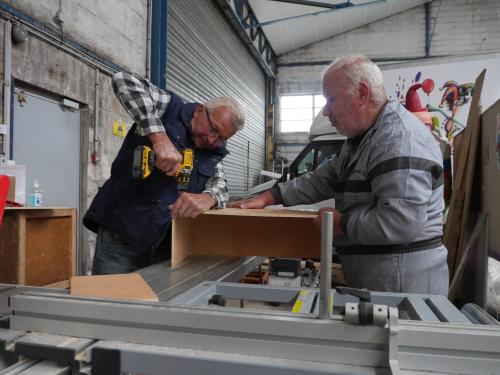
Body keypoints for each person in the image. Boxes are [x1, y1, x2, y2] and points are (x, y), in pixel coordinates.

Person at [229, 55, 448, 296]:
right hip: (381, 279)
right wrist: (269, 197)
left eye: (331, 99)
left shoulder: (398, 141)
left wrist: (341, 224)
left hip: (402, 287)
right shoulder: (363, 140)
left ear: (362, 94)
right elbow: (321, 179)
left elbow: (400, 222)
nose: (325, 111)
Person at [84, 71, 245, 275]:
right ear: (199, 111)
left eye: (222, 138)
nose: (214, 140)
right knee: (110, 300)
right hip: (122, 239)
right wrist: (158, 137)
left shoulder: (211, 151)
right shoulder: (169, 108)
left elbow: (221, 186)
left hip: (166, 246)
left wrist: (208, 197)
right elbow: (123, 80)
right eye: (213, 129)